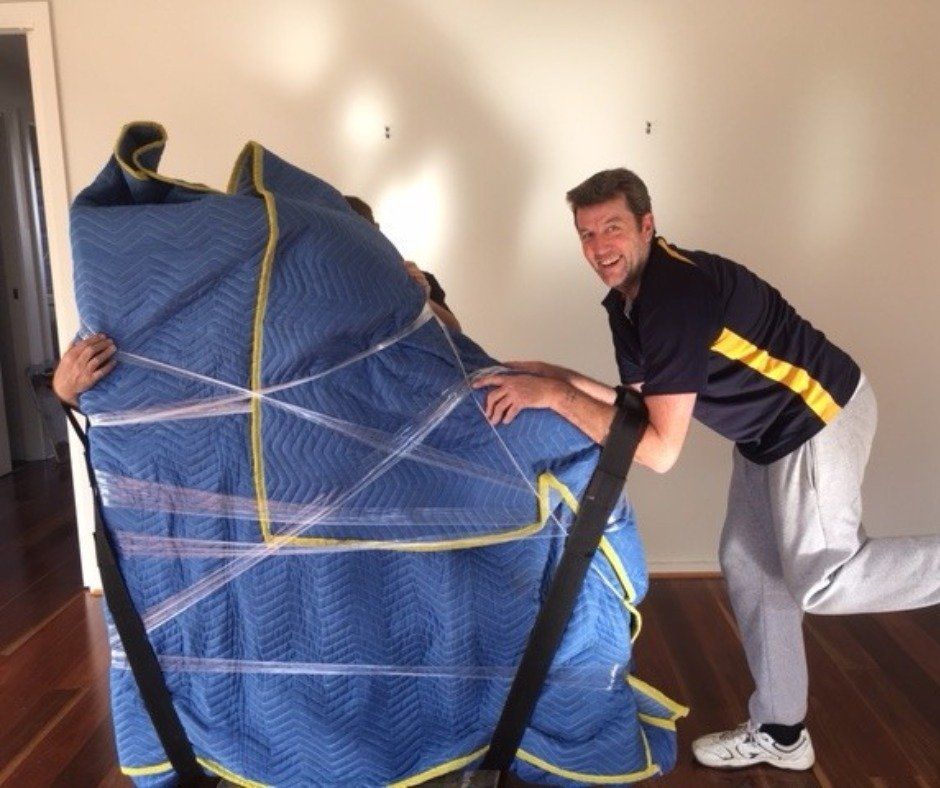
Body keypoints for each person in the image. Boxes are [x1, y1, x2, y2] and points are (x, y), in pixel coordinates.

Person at [473, 168, 940, 771]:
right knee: (751, 566)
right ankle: (782, 731)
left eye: (611, 228)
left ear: (647, 224)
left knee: (822, 579)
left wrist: (555, 397)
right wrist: (553, 375)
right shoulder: (628, 302)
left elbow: (661, 451)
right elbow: (638, 406)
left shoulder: (673, 295)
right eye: (586, 234)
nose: (598, 248)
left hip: (817, 417)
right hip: (765, 433)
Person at [343, 195, 462, 333]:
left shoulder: (417, 278)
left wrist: (421, 296)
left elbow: (454, 331)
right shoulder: (336, 289)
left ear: (376, 229)